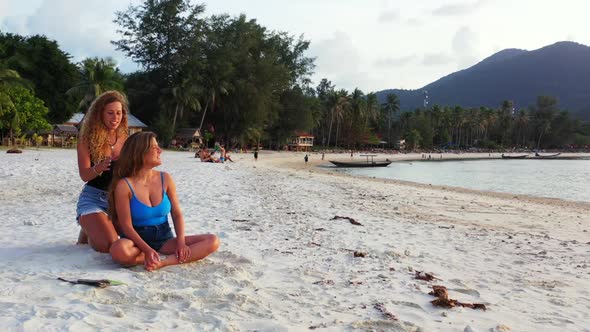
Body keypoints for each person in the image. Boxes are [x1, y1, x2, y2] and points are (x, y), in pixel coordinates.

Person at [108, 132, 219, 271]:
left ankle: (164, 261)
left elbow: (177, 214)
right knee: (118, 250)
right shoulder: (124, 185)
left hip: (164, 239)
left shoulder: (165, 178)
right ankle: (152, 256)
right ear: (139, 152)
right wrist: (147, 249)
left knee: (212, 241)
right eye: (154, 147)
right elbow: (126, 226)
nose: (160, 151)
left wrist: (180, 242)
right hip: (135, 242)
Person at [76, 91, 129, 253]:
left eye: (119, 113)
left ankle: (93, 227)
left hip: (118, 201)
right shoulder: (87, 139)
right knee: (107, 246)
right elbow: (84, 175)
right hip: (93, 198)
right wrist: (98, 168)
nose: (115, 118)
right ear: (100, 114)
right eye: (110, 113)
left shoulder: (126, 138)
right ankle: (90, 225)